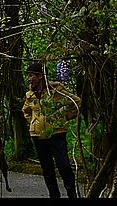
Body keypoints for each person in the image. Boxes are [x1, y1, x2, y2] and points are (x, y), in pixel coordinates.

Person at [22, 62, 81, 198]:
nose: (29, 79)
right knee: (47, 169)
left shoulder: (56, 90)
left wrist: (64, 117)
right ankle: (54, 195)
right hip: (37, 135)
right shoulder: (30, 95)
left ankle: (72, 194)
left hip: (56, 133)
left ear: (40, 76)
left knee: (64, 166)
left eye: (31, 76)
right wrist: (33, 122)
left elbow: (76, 102)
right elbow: (25, 111)